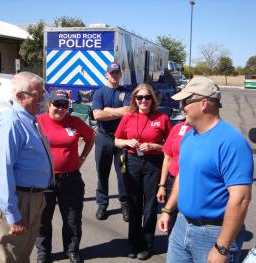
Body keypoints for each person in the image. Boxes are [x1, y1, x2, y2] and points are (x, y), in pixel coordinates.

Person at [157, 76, 254, 263]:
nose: (182, 107)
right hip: (181, 227)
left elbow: (241, 198)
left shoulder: (231, 142)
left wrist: (222, 247)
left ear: (204, 104)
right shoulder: (189, 137)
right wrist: (168, 210)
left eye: (186, 101)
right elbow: (182, 175)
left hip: (214, 235)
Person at [0, 72, 52, 263]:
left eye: (42, 92)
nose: (43, 98)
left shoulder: (29, 118)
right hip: (17, 197)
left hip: (30, 197)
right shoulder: (11, 123)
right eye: (37, 94)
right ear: (19, 95)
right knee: (6, 257)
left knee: (21, 254)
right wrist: (12, 214)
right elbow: (2, 171)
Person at [35, 90, 95, 263]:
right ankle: (43, 252)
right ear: (49, 105)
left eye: (65, 105)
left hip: (71, 180)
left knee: (72, 218)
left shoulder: (75, 122)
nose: (61, 109)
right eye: (57, 104)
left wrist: (82, 158)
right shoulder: (38, 122)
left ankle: (71, 250)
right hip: (44, 180)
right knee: (43, 219)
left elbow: (90, 138)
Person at [114, 83, 172, 260]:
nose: (144, 100)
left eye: (147, 97)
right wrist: (127, 142)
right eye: (140, 97)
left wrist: (155, 145)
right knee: (133, 204)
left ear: (152, 99)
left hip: (153, 163)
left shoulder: (162, 118)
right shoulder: (128, 117)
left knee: (150, 206)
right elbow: (116, 140)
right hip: (132, 161)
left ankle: (147, 244)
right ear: (135, 100)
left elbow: (171, 146)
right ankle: (133, 243)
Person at [92, 62, 131, 222]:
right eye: (112, 73)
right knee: (102, 173)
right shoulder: (99, 93)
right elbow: (97, 116)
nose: (114, 75)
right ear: (106, 75)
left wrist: (107, 109)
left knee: (123, 173)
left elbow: (128, 112)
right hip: (103, 138)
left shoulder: (126, 92)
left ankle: (125, 204)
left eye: (117, 72)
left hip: (121, 140)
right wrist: (118, 112)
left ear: (120, 74)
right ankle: (102, 205)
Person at [156, 121, 192, 227]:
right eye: (183, 103)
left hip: (192, 183)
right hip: (172, 181)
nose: (184, 108)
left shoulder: (206, 131)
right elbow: (167, 157)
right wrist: (162, 186)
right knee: (171, 221)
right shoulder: (178, 127)